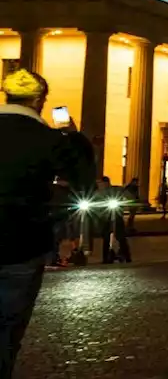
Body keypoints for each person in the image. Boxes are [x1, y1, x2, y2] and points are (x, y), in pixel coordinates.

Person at [0, 69, 95, 379]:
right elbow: (84, 185)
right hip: (22, 243)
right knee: (7, 326)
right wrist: (73, 136)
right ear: (40, 100)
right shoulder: (50, 139)